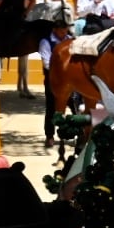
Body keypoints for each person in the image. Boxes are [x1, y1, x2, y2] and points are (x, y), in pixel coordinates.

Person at [0, 0, 35, 98]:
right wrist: (26, 12)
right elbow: (33, 0)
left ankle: (1, 50)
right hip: (19, 19)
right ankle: (23, 87)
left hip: (4, 20)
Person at [38, 12, 73, 149]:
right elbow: (46, 63)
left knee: (74, 105)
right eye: (61, 31)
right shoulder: (46, 42)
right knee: (51, 107)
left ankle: (81, 133)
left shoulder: (70, 40)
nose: (64, 33)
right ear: (55, 30)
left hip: (70, 80)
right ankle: (49, 136)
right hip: (53, 79)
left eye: (65, 31)